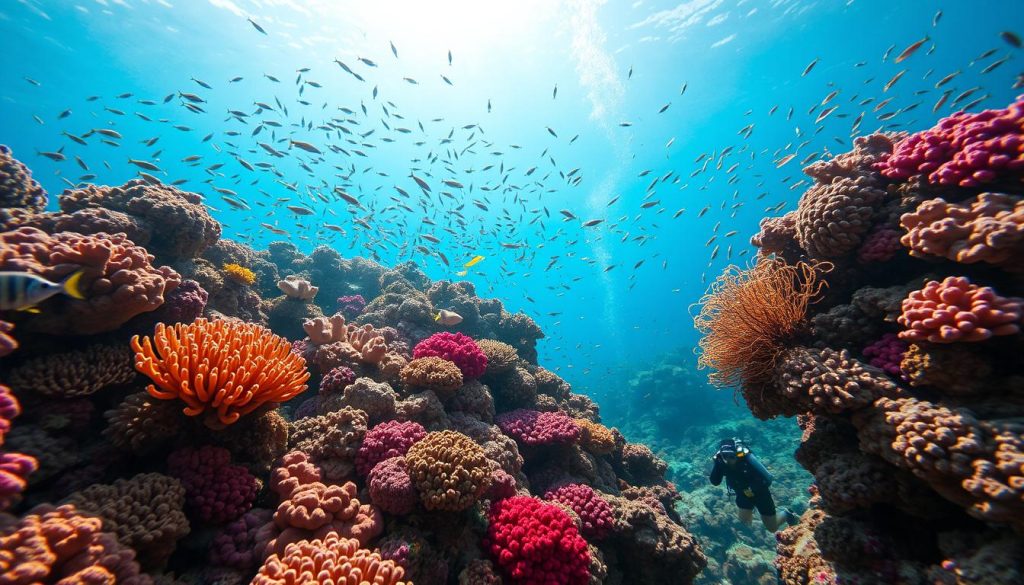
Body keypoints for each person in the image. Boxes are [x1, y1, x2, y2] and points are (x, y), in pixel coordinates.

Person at [709, 438, 798, 531]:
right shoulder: (721, 463)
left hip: (761, 495)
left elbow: (768, 479)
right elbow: (715, 482)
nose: (728, 459)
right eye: (725, 456)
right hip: (742, 494)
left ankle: (787, 514)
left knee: (772, 527)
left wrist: (752, 488)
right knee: (745, 522)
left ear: (737, 454)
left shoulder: (746, 461)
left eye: (731, 456)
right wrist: (717, 464)